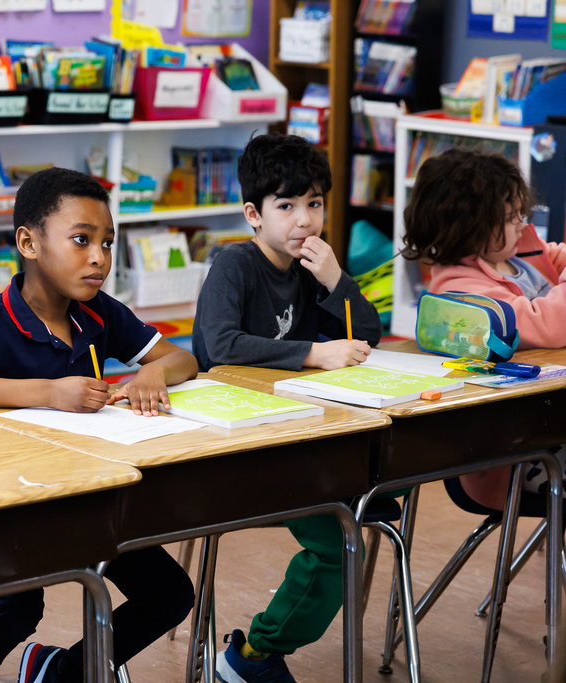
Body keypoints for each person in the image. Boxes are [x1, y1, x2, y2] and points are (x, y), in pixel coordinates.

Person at [0, 167, 198, 683]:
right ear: (28, 241)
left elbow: (182, 358)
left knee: (171, 595)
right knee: (16, 610)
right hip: (5, 508)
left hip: (83, 502)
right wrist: (50, 393)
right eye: (80, 240)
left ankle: (61, 673)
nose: (99, 258)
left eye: (107, 243)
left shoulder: (98, 314)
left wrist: (152, 372)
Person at [191, 133, 381, 683]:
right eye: (287, 206)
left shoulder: (307, 268)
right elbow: (222, 346)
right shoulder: (235, 266)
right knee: (337, 548)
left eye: (315, 204)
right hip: (236, 442)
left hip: (295, 432)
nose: (304, 220)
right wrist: (314, 353)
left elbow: (365, 334)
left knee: (379, 490)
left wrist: (334, 280)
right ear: (254, 213)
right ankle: (250, 656)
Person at [401, 148, 566, 512]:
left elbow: (556, 257)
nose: (523, 223)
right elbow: (550, 325)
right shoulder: (460, 292)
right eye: (510, 217)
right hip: (514, 454)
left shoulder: (514, 254)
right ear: (470, 228)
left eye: (520, 212)